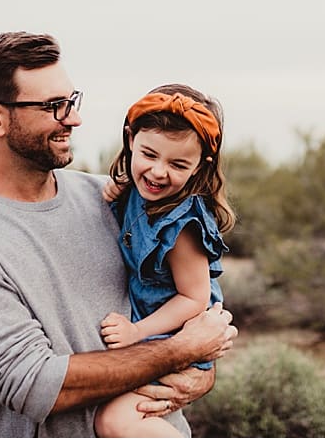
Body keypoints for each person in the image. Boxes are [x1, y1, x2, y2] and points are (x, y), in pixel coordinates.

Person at [0, 33, 234, 437]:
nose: (74, 118)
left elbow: (195, 303)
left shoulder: (114, 199)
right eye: (54, 107)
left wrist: (201, 368)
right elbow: (31, 385)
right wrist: (179, 351)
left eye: (72, 101)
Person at [93, 86, 233, 438]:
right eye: (149, 155)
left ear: (201, 165)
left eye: (178, 164)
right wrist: (120, 189)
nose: (157, 172)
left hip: (175, 337)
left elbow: (194, 299)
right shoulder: (140, 193)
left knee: (113, 421)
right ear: (130, 141)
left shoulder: (183, 227)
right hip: (153, 335)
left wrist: (137, 332)